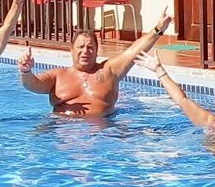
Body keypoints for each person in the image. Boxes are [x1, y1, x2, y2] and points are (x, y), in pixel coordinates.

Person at [18, 9, 172, 117]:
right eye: (81, 47)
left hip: (103, 133)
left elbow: (134, 51)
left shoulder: (108, 70)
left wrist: (158, 29)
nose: (85, 51)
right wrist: (26, 71)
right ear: (71, 50)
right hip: (61, 129)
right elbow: (33, 85)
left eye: (90, 47)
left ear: (97, 51)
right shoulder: (58, 75)